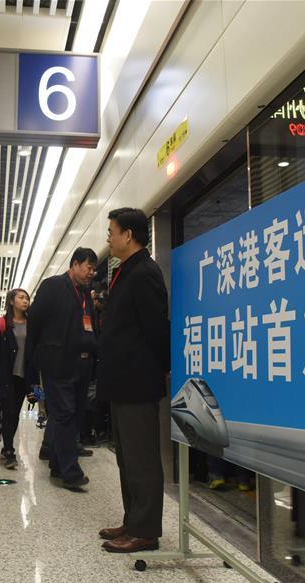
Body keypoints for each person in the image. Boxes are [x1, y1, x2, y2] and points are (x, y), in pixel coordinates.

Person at [97, 207, 170, 554]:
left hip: (139, 382)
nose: (108, 238)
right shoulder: (125, 271)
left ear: (129, 235)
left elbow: (157, 329)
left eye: (112, 231)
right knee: (127, 459)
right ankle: (133, 519)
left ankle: (146, 531)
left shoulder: (145, 272)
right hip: (122, 381)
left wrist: (161, 368)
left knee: (141, 459)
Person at [27, 248, 98, 489]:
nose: (92, 272)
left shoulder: (86, 293)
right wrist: (35, 359)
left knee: (73, 413)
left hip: (83, 363)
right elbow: (34, 321)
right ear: (75, 264)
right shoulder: (53, 286)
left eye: (94, 268)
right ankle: (71, 472)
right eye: (89, 267)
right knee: (65, 413)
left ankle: (57, 463)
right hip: (57, 362)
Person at [0, 288, 35, 470]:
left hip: (23, 376)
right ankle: (9, 449)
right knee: (9, 411)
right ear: (12, 301)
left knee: (14, 413)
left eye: (26, 298)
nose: (25, 300)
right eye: (20, 297)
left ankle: (7, 445)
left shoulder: (32, 323)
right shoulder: (2, 323)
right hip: (5, 376)